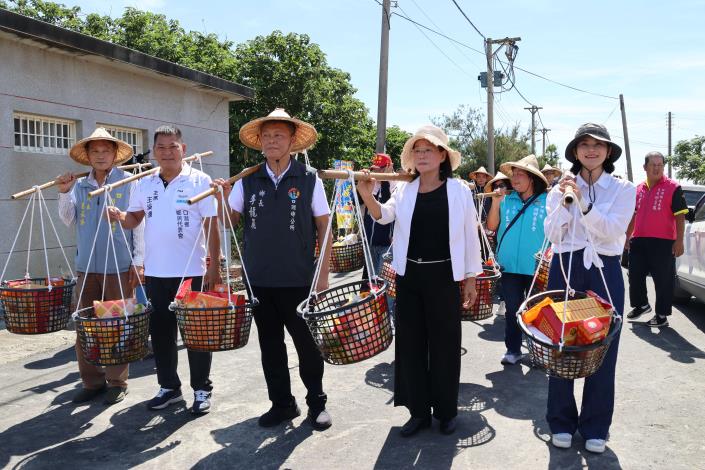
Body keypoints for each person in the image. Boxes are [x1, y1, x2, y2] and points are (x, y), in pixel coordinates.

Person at [357, 125, 482, 437]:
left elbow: (470, 235)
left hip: (444, 276)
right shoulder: (405, 189)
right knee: (411, 345)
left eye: (429, 150)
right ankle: (418, 412)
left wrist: (470, 278)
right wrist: (366, 195)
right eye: (418, 150)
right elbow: (383, 216)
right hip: (409, 275)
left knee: (445, 345)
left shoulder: (459, 191)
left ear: (442, 156)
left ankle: (446, 411)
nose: (423, 155)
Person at [214, 108, 334, 430]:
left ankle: (316, 403)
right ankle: (282, 404)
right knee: (270, 347)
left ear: (292, 140)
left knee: (308, 348)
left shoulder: (309, 179)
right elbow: (228, 221)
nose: (272, 141)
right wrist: (222, 198)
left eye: (278, 135)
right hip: (259, 281)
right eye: (266, 137)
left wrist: (321, 275)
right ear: (259, 142)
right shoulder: (247, 179)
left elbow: (325, 226)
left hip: (299, 280)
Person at [107, 125, 221, 415]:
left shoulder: (200, 181)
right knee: (161, 334)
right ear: (154, 151)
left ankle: (201, 389)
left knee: (196, 335)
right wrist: (120, 216)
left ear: (183, 149)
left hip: (191, 273)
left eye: (173, 147)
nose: (167, 152)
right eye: (161, 148)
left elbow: (211, 226)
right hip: (156, 274)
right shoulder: (144, 183)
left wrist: (214, 267)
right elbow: (134, 219)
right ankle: (169, 387)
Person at [543, 122, 636, 454]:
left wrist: (584, 205)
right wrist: (567, 203)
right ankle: (561, 421)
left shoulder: (624, 189)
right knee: (561, 344)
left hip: (604, 269)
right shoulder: (559, 188)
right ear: (575, 152)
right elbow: (553, 235)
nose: (591, 150)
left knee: (602, 347)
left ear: (608, 152)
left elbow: (612, 233)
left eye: (598, 145)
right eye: (584, 144)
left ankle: (596, 426)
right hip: (566, 266)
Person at [56, 128, 144, 405]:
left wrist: (138, 262)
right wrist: (63, 192)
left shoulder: (129, 182)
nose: (101, 156)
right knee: (86, 325)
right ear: (88, 156)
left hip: (119, 265)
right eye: (95, 151)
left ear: (115, 155)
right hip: (87, 266)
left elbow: (140, 225)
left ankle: (117, 381)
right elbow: (68, 219)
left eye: (106, 151)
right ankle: (91, 381)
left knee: (117, 323)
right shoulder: (80, 186)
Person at [486, 155, 548, 365]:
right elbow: (492, 227)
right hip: (510, 265)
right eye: (514, 174)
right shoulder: (505, 199)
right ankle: (513, 349)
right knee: (512, 308)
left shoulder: (548, 201)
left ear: (532, 178)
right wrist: (495, 203)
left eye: (521, 173)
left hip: (537, 267)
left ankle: (539, 350)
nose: (515, 177)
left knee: (537, 310)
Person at [626, 151, 688, 327]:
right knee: (634, 274)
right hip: (638, 240)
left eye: (660, 165)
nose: (657, 168)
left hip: (663, 241)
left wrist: (679, 240)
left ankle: (661, 315)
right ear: (645, 167)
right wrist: (627, 236)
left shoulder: (673, 187)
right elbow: (634, 215)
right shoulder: (638, 189)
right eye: (653, 165)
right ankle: (642, 305)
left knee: (663, 279)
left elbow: (680, 216)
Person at [360, 152, 395, 279]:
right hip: (370, 243)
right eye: (374, 169)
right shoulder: (371, 184)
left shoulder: (395, 184)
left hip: (388, 245)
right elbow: (355, 201)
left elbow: (387, 210)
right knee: (368, 281)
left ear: (389, 167)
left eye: (380, 169)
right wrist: (361, 182)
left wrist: (386, 181)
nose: (376, 172)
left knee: (384, 282)